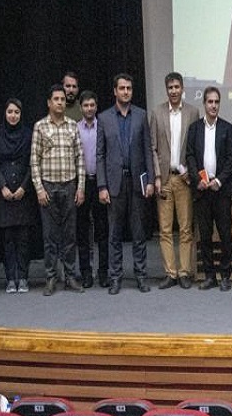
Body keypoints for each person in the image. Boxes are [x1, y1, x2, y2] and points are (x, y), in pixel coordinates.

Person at [97, 74, 156, 294]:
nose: (125, 92)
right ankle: (115, 277)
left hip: (137, 181)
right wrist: (102, 186)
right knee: (114, 234)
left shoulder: (141, 115)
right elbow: (100, 155)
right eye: (122, 88)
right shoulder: (104, 118)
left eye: (129, 88)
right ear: (115, 91)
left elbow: (148, 149)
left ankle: (141, 276)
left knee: (139, 233)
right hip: (114, 183)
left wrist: (150, 180)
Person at [30, 85, 87, 296]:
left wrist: (81, 187)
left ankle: (70, 276)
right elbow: (34, 161)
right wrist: (39, 189)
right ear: (49, 102)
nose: (60, 102)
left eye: (62, 99)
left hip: (69, 185)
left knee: (70, 235)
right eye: (56, 99)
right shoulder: (40, 127)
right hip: (48, 187)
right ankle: (51, 277)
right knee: (50, 237)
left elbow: (80, 158)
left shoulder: (73, 126)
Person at [149, 72, 200, 290]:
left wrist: (192, 172)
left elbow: (195, 146)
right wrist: (156, 176)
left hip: (184, 179)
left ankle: (185, 272)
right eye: (170, 87)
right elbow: (152, 147)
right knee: (165, 229)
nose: (174, 91)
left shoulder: (193, 112)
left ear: (182, 89)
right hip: (164, 178)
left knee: (186, 228)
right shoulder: (157, 112)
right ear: (166, 90)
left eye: (177, 87)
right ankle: (170, 273)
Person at [185, 86, 232, 292]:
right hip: (201, 189)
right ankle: (209, 276)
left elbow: (230, 159)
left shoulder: (227, 127)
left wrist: (219, 181)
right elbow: (189, 155)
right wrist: (198, 179)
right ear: (204, 104)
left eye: (216, 102)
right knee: (205, 235)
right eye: (210, 102)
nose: (213, 105)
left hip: (221, 190)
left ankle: (225, 275)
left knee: (225, 234)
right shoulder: (194, 128)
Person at [0, 98, 37, 294]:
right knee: (7, 239)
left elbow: (33, 163)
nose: (13, 116)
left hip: (23, 193)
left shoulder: (29, 134)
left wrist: (24, 187)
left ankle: (24, 277)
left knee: (24, 239)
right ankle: (11, 278)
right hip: (4, 193)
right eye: (10, 112)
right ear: (5, 113)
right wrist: (2, 186)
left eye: (17, 112)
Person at [76, 90, 108, 288]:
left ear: (96, 107)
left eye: (92, 105)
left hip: (100, 182)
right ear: (81, 108)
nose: (89, 109)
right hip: (81, 183)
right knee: (82, 231)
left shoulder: (102, 127)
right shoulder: (75, 128)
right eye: (86, 105)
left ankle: (103, 272)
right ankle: (86, 273)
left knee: (103, 230)